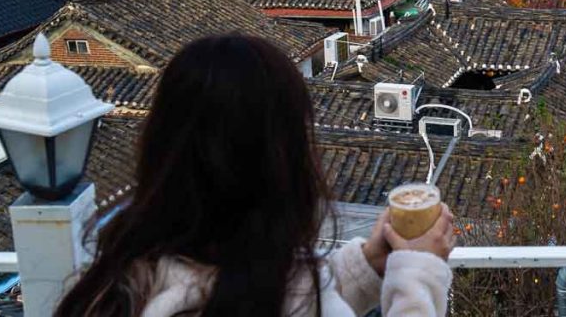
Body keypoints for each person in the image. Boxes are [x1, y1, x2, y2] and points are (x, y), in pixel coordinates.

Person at [55, 35, 456, 317]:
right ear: (283, 164)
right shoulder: (270, 291)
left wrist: (367, 264)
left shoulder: (113, 284)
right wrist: (417, 274)